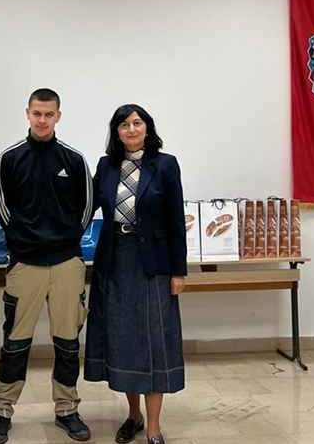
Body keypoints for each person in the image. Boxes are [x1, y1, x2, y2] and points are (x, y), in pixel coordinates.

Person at [0, 88, 94, 443]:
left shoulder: (74, 159)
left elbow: (87, 207)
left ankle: (67, 410)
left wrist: (66, 241)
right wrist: (24, 243)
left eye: (49, 114)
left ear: (58, 116)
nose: (43, 120)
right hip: (25, 265)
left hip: (67, 264)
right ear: (28, 114)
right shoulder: (10, 158)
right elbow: (1, 207)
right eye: (37, 113)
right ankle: (2, 411)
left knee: (68, 342)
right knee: (15, 342)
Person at [84, 104, 187, 444]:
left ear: (147, 127)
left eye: (137, 123)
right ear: (116, 132)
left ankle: (154, 428)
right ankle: (134, 416)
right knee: (123, 340)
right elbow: (85, 206)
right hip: (115, 262)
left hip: (153, 265)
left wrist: (179, 271)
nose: (131, 129)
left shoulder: (165, 164)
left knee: (154, 343)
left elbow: (175, 221)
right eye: (124, 124)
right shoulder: (106, 165)